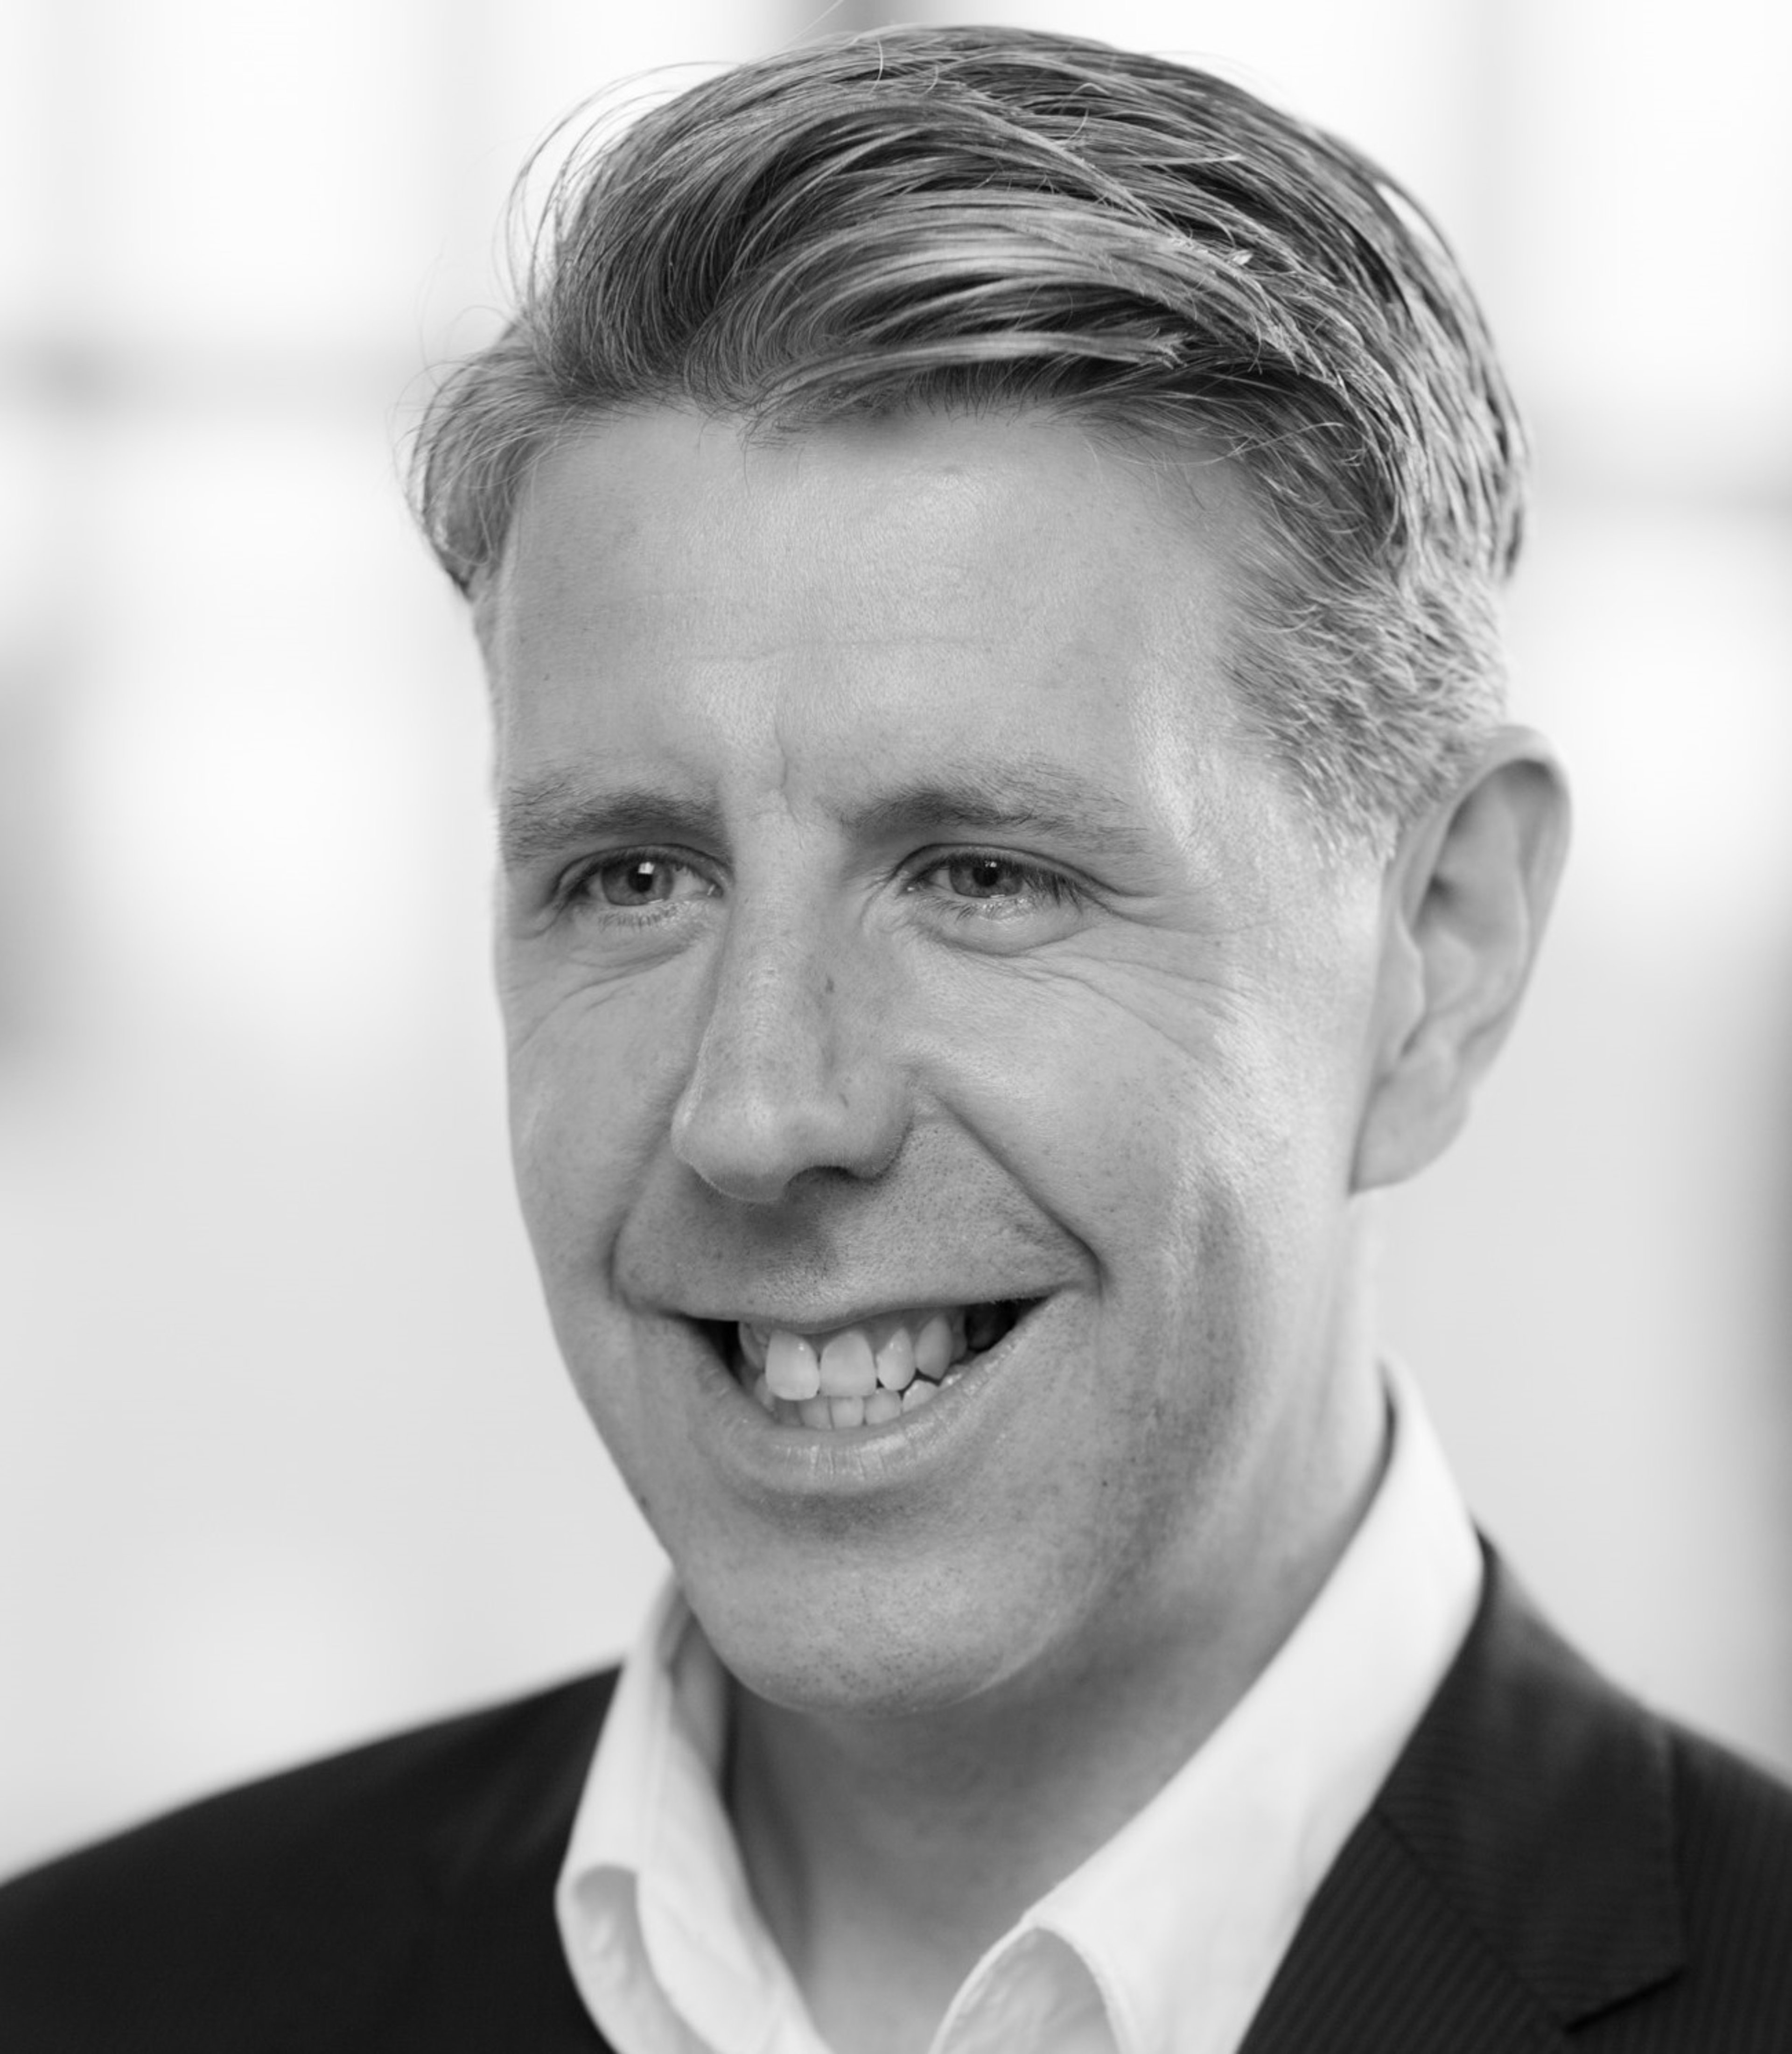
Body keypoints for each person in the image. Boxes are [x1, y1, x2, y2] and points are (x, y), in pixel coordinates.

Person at [3, 23, 1790, 2052]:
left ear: (1443, 949)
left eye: (983, 874)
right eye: (635, 878)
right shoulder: (91, 1997)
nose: (762, 1113)